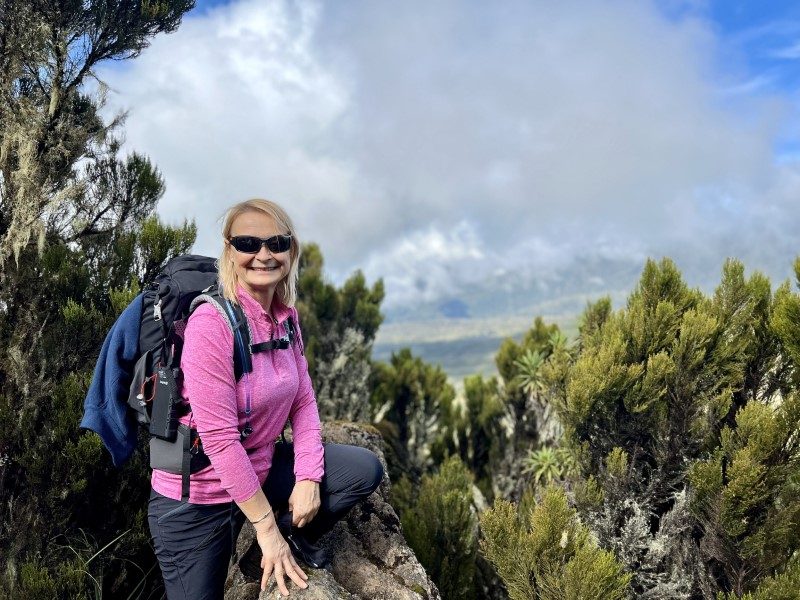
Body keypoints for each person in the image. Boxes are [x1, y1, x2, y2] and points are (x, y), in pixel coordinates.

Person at [147, 198, 384, 599]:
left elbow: (304, 401)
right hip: (197, 497)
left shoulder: (285, 318)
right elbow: (220, 440)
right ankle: (267, 539)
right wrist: (267, 527)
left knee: (361, 471)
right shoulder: (211, 324)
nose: (263, 254)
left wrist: (308, 476)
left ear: (291, 251)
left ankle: (267, 552)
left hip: (260, 467)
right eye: (247, 243)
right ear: (230, 252)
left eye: (276, 242)